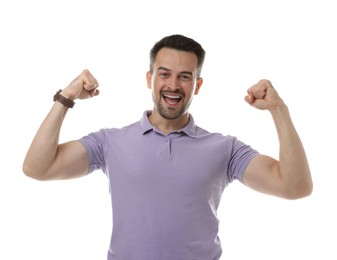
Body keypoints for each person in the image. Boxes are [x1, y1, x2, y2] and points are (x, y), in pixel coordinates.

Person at [23, 34, 313, 260]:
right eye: (164, 74)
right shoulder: (110, 142)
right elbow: (38, 167)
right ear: (150, 79)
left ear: (197, 85)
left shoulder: (225, 149)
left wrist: (278, 108)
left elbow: (295, 186)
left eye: (184, 76)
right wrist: (66, 97)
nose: (173, 85)